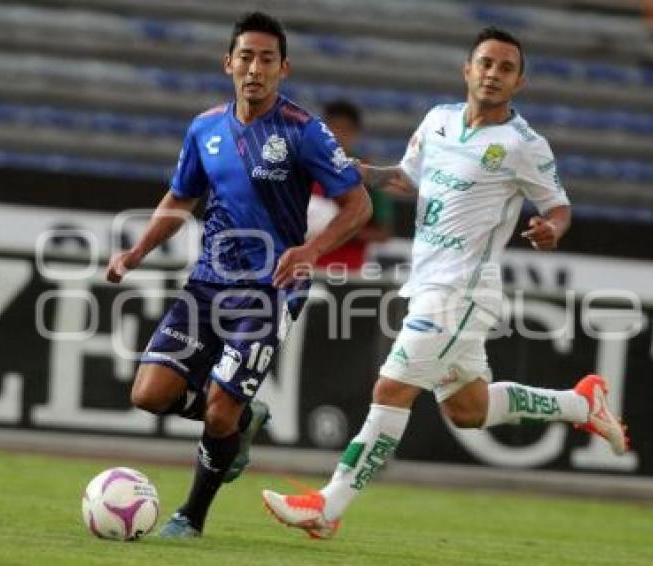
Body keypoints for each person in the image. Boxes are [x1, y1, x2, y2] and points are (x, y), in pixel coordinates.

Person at [262, 26, 629, 539]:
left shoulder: (523, 144)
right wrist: (358, 171)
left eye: (505, 68)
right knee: (469, 410)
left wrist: (552, 227)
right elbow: (407, 178)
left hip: (461, 291)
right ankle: (580, 403)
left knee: (391, 387)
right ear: (467, 69)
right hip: (426, 283)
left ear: (520, 82)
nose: (493, 74)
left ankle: (328, 504)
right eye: (486, 64)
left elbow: (558, 205)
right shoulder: (437, 121)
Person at [106, 11, 371, 538]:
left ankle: (190, 517)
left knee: (220, 411)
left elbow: (358, 203)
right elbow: (181, 197)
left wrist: (309, 250)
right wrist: (136, 252)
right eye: (245, 57)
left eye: (267, 59)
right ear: (228, 63)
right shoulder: (205, 127)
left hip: (269, 290)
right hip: (207, 283)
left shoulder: (303, 131)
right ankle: (245, 422)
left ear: (283, 68)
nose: (255, 68)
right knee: (149, 394)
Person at [308, 99, 393, 270]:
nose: (337, 135)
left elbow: (383, 233)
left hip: (347, 273)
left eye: (344, 130)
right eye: (331, 128)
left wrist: (337, 228)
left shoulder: (369, 175)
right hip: (304, 268)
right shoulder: (302, 168)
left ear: (355, 133)